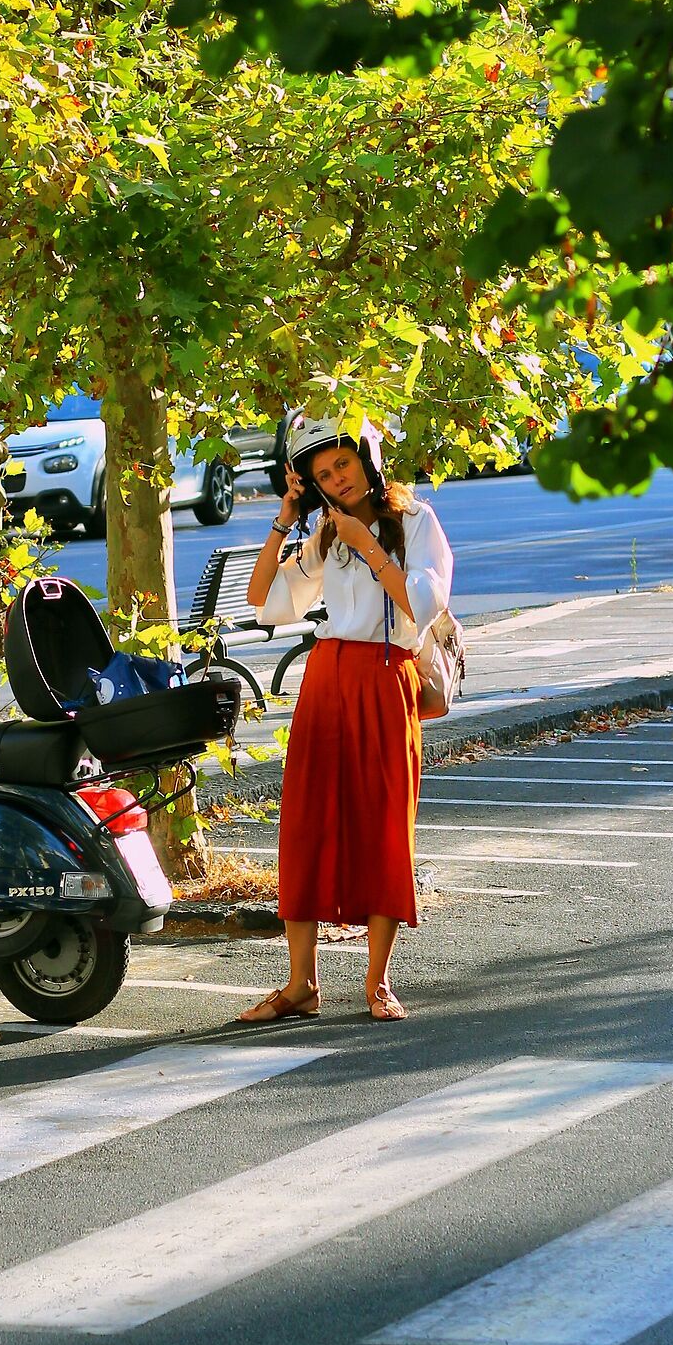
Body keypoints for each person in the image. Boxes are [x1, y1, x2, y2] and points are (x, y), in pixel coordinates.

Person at [237, 417, 453, 1023]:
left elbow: (422, 604)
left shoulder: (417, 523)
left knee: (384, 823)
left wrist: (367, 544)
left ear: (367, 457)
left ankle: (377, 980)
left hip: (387, 677)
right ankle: (300, 983)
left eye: (343, 464)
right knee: (306, 822)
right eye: (322, 475)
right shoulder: (325, 534)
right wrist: (287, 514)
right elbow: (265, 600)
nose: (337, 479)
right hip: (327, 679)